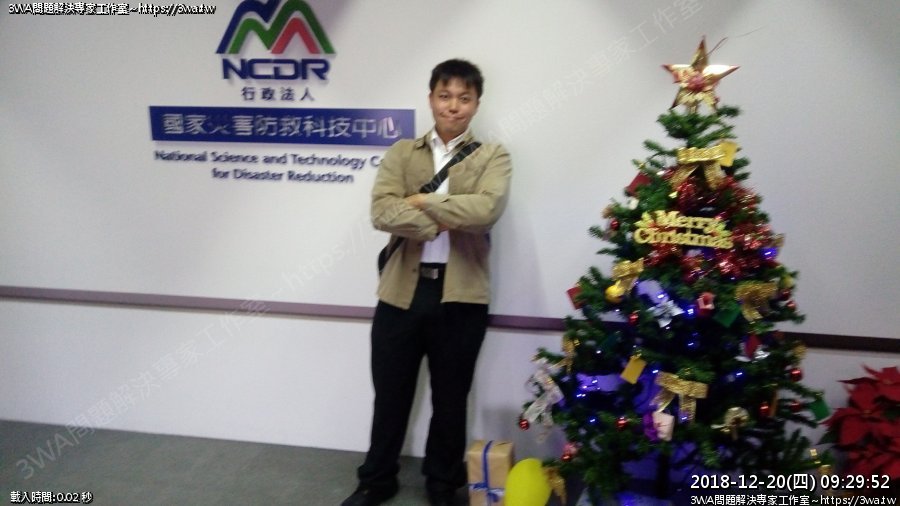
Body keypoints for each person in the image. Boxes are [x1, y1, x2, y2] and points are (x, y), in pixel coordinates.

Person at [342, 59, 512, 506]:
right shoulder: (402, 153)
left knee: (451, 399)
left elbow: (486, 211)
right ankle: (376, 480)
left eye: (464, 98)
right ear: (431, 98)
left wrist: (420, 201)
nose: (453, 106)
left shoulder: (493, 156)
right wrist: (444, 217)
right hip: (401, 293)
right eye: (445, 95)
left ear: (476, 104)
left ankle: (442, 483)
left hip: (463, 296)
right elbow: (382, 212)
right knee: (390, 396)